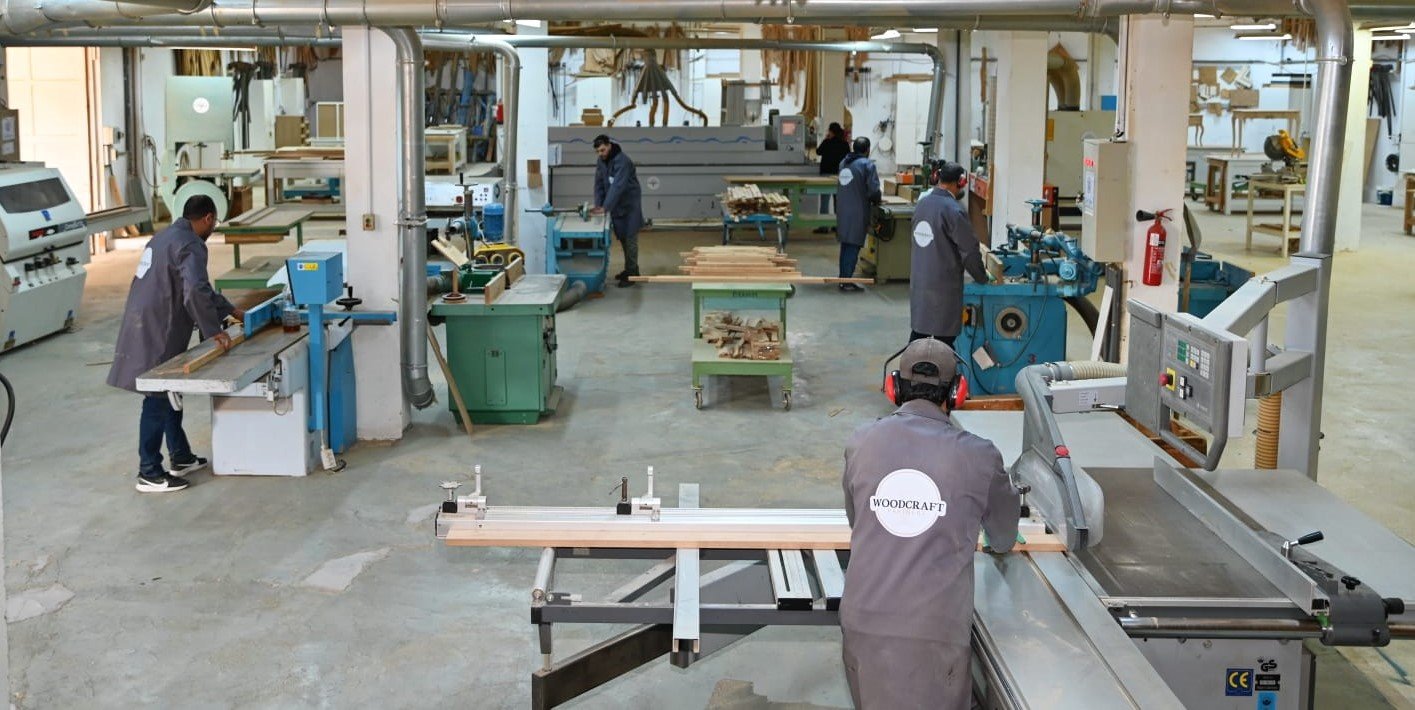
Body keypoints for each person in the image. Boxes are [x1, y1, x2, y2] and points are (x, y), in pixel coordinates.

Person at [840, 337, 1020, 709]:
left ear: (893, 387)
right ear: (958, 392)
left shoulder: (861, 441)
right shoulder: (979, 455)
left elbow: (858, 520)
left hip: (861, 624)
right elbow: (1004, 537)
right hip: (932, 633)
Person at [107, 195, 244, 493]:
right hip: (160, 326)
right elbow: (194, 289)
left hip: (144, 320)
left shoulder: (165, 236)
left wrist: (232, 310)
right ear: (208, 218)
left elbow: (199, 288)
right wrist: (212, 331)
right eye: (214, 222)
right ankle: (149, 472)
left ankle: (180, 457)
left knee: (169, 392)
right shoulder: (192, 244)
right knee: (157, 395)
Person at [910, 161, 989, 346]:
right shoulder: (954, 210)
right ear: (959, 183)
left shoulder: (922, 204)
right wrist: (982, 277)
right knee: (942, 343)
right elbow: (969, 251)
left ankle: (914, 370)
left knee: (920, 336)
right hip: (943, 288)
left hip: (920, 282)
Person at [591, 134, 645, 288]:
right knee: (622, 237)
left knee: (630, 238)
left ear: (609, 145)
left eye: (602, 150)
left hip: (628, 205)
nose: (601, 154)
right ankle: (629, 269)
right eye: (598, 152)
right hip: (615, 204)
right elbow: (599, 185)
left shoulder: (623, 161)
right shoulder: (601, 162)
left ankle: (632, 274)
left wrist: (605, 207)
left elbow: (618, 187)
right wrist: (599, 206)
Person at [835, 136, 881, 293]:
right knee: (853, 246)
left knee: (846, 246)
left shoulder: (843, 162)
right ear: (867, 150)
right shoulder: (867, 164)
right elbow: (873, 190)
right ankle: (847, 282)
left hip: (842, 210)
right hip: (857, 211)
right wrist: (877, 200)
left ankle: (843, 278)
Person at [814, 122, 850, 232]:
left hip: (826, 174)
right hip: (840, 175)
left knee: (824, 201)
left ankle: (824, 226)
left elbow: (818, 152)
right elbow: (848, 157)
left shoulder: (827, 142)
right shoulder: (844, 144)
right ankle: (837, 225)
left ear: (831, 131)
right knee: (838, 201)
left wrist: (825, 138)